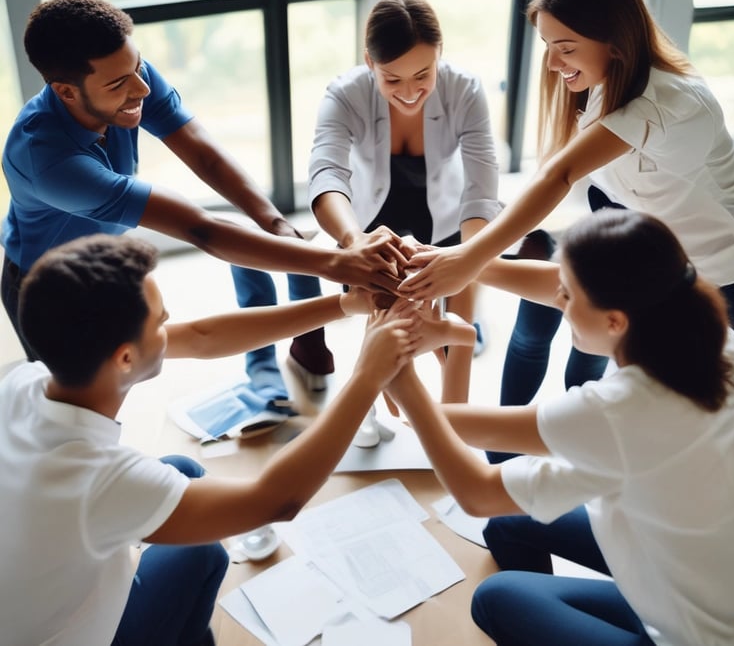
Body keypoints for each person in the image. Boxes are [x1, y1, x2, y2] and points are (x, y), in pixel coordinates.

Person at [0, 232, 474, 646]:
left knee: (180, 473)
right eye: (161, 322)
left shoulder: (25, 381)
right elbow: (277, 500)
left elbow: (203, 336)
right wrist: (367, 377)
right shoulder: (95, 479)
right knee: (203, 551)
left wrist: (344, 305)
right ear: (125, 359)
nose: (172, 328)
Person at [0, 0, 407, 417]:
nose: (141, 87)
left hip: (103, 259)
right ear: (66, 91)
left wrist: (277, 226)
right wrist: (334, 263)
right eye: (119, 84)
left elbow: (205, 155)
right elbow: (200, 229)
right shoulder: (45, 159)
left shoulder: (125, 75)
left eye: (138, 68)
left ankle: (269, 364)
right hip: (47, 287)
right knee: (78, 415)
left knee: (249, 242)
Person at [387, 207, 734, 646]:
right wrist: (457, 265)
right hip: (732, 582)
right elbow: (560, 287)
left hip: (706, 636)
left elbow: (476, 491)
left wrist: (397, 375)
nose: (558, 302)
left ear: (615, 320)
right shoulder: (712, 337)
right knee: (508, 524)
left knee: (495, 597)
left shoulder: (621, 410)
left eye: (568, 297)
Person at [399, 0, 734, 383]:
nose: (553, 64)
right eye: (548, 46)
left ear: (614, 39)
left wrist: (468, 256)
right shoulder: (600, 90)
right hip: (667, 268)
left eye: (566, 48)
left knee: (711, 408)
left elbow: (559, 175)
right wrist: (453, 259)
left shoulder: (666, 103)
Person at [308, 0, 502, 435]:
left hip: (448, 211)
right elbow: (326, 176)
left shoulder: (466, 89)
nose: (410, 93)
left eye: (423, 74)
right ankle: (378, 414)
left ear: (440, 56)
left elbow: (481, 188)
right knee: (385, 308)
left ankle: (455, 421)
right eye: (392, 80)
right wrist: (356, 243)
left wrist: (467, 259)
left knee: (460, 304)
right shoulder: (344, 93)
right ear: (369, 62)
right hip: (374, 212)